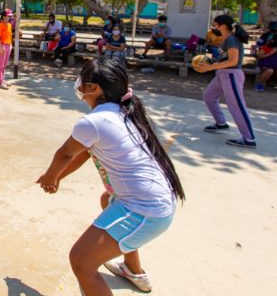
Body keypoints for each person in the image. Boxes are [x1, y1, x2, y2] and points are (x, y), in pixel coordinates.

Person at [36, 58, 184, 295]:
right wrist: (58, 177)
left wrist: (50, 177)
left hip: (146, 209)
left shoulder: (93, 122)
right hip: (156, 199)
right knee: (108, 200)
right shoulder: (122, 111)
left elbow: (64, 154)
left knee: (81, 261)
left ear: (94, 89)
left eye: (83, 82)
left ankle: (130, 269)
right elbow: (82, 155)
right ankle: (133, 270)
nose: (79, 87)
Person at [195, 14, 256, 148]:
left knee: (236, 106)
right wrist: (210, 62)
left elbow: (233, 61)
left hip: (231, 75)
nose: (213, 27)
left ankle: (249, 139)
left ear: (223, 26)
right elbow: (224, 58)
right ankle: (221, 123)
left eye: (214, 25)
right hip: (222, 74)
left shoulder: (232, 40)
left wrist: (210, 67)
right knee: (209, 96)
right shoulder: (225, 39)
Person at [0, 9, 13, 89]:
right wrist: (1, 47)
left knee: (4, 65)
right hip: (1, 46)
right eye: (8, 16)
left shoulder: (9, 25)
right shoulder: (0, 25)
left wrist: (10, 46)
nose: (9, 17)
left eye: (9, 16)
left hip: (8, 45)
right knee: (0, 65)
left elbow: (9, 36)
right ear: (3, 16)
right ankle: (0, 81)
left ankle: (3, 79)